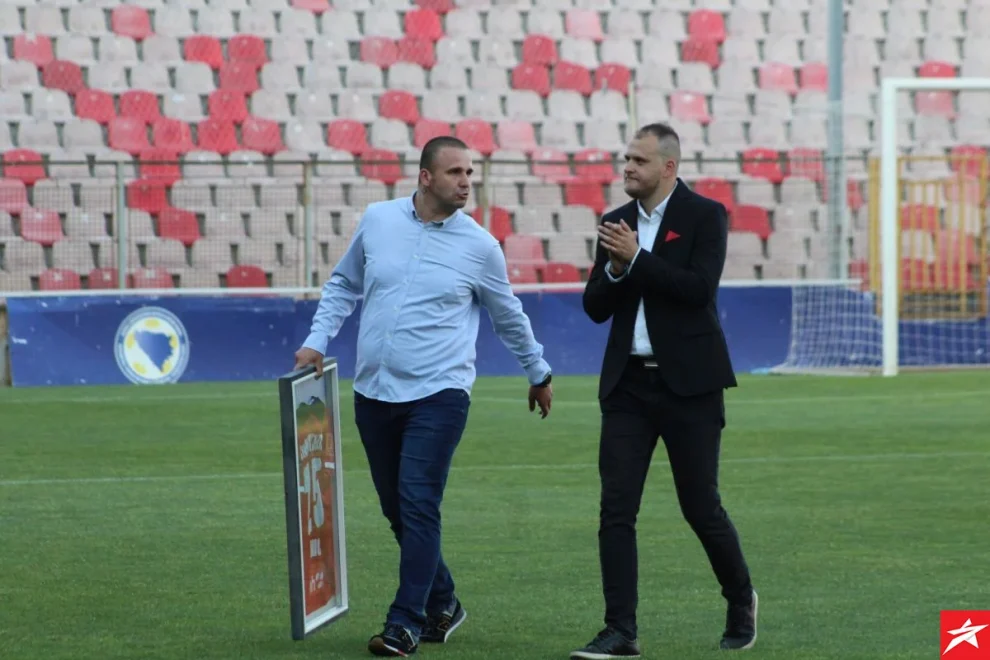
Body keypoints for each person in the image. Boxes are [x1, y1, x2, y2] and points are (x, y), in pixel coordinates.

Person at [294, 135, 553, 658]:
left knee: (417, 502)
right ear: (426, 177)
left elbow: (507, 315)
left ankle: (405, 622)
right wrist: (316, 340)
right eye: (456, 172)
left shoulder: (480, 247)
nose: (466, 182)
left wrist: (537, 370)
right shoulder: (378, 220)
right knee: (398, 510)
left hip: (440, 393)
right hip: (373, 391)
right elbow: (343, 284)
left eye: (470, 173)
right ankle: (444, 600)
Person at [570, 123, 757, 659]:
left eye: (639, 160)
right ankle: (620, 631)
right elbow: (595, 306)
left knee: (700, 507)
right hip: (628, 386)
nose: (627, 168)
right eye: (626, 158)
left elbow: (697, 290)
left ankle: (740, 598)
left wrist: (637, 260)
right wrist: (614, 268)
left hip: (690, 387)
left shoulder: (705, 215)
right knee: (615, 509)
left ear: (668, 167)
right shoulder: (616, 222)